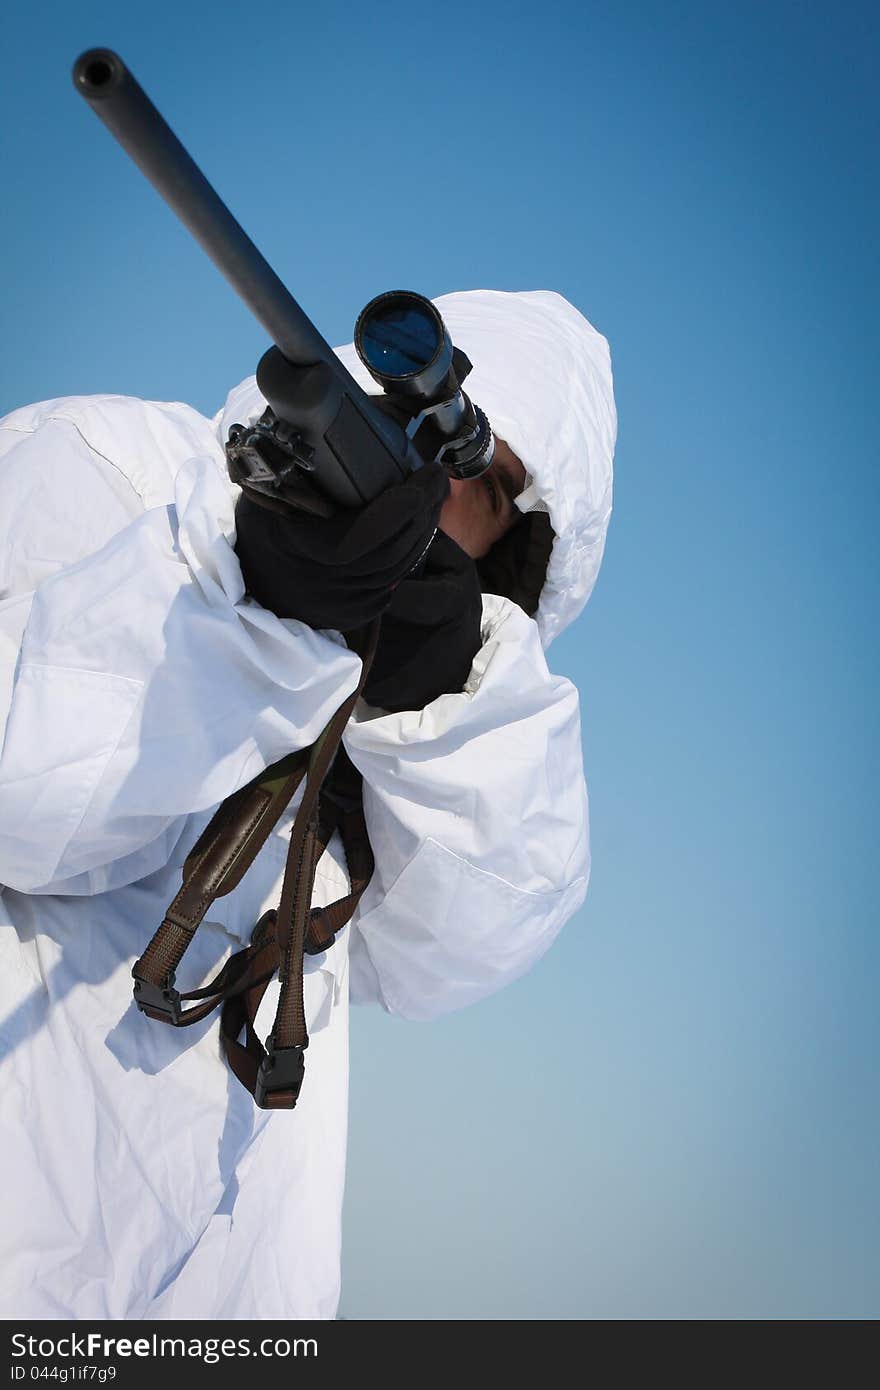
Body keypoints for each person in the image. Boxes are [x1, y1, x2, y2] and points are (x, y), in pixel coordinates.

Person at [0, 288, 616, 1320]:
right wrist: (244, 606)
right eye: (416, 436)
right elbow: (25, 793)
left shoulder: (412, 734)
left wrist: (437, 696)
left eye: (486, 480)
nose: (437, 485)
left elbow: (471, 936)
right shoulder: (116, 465)